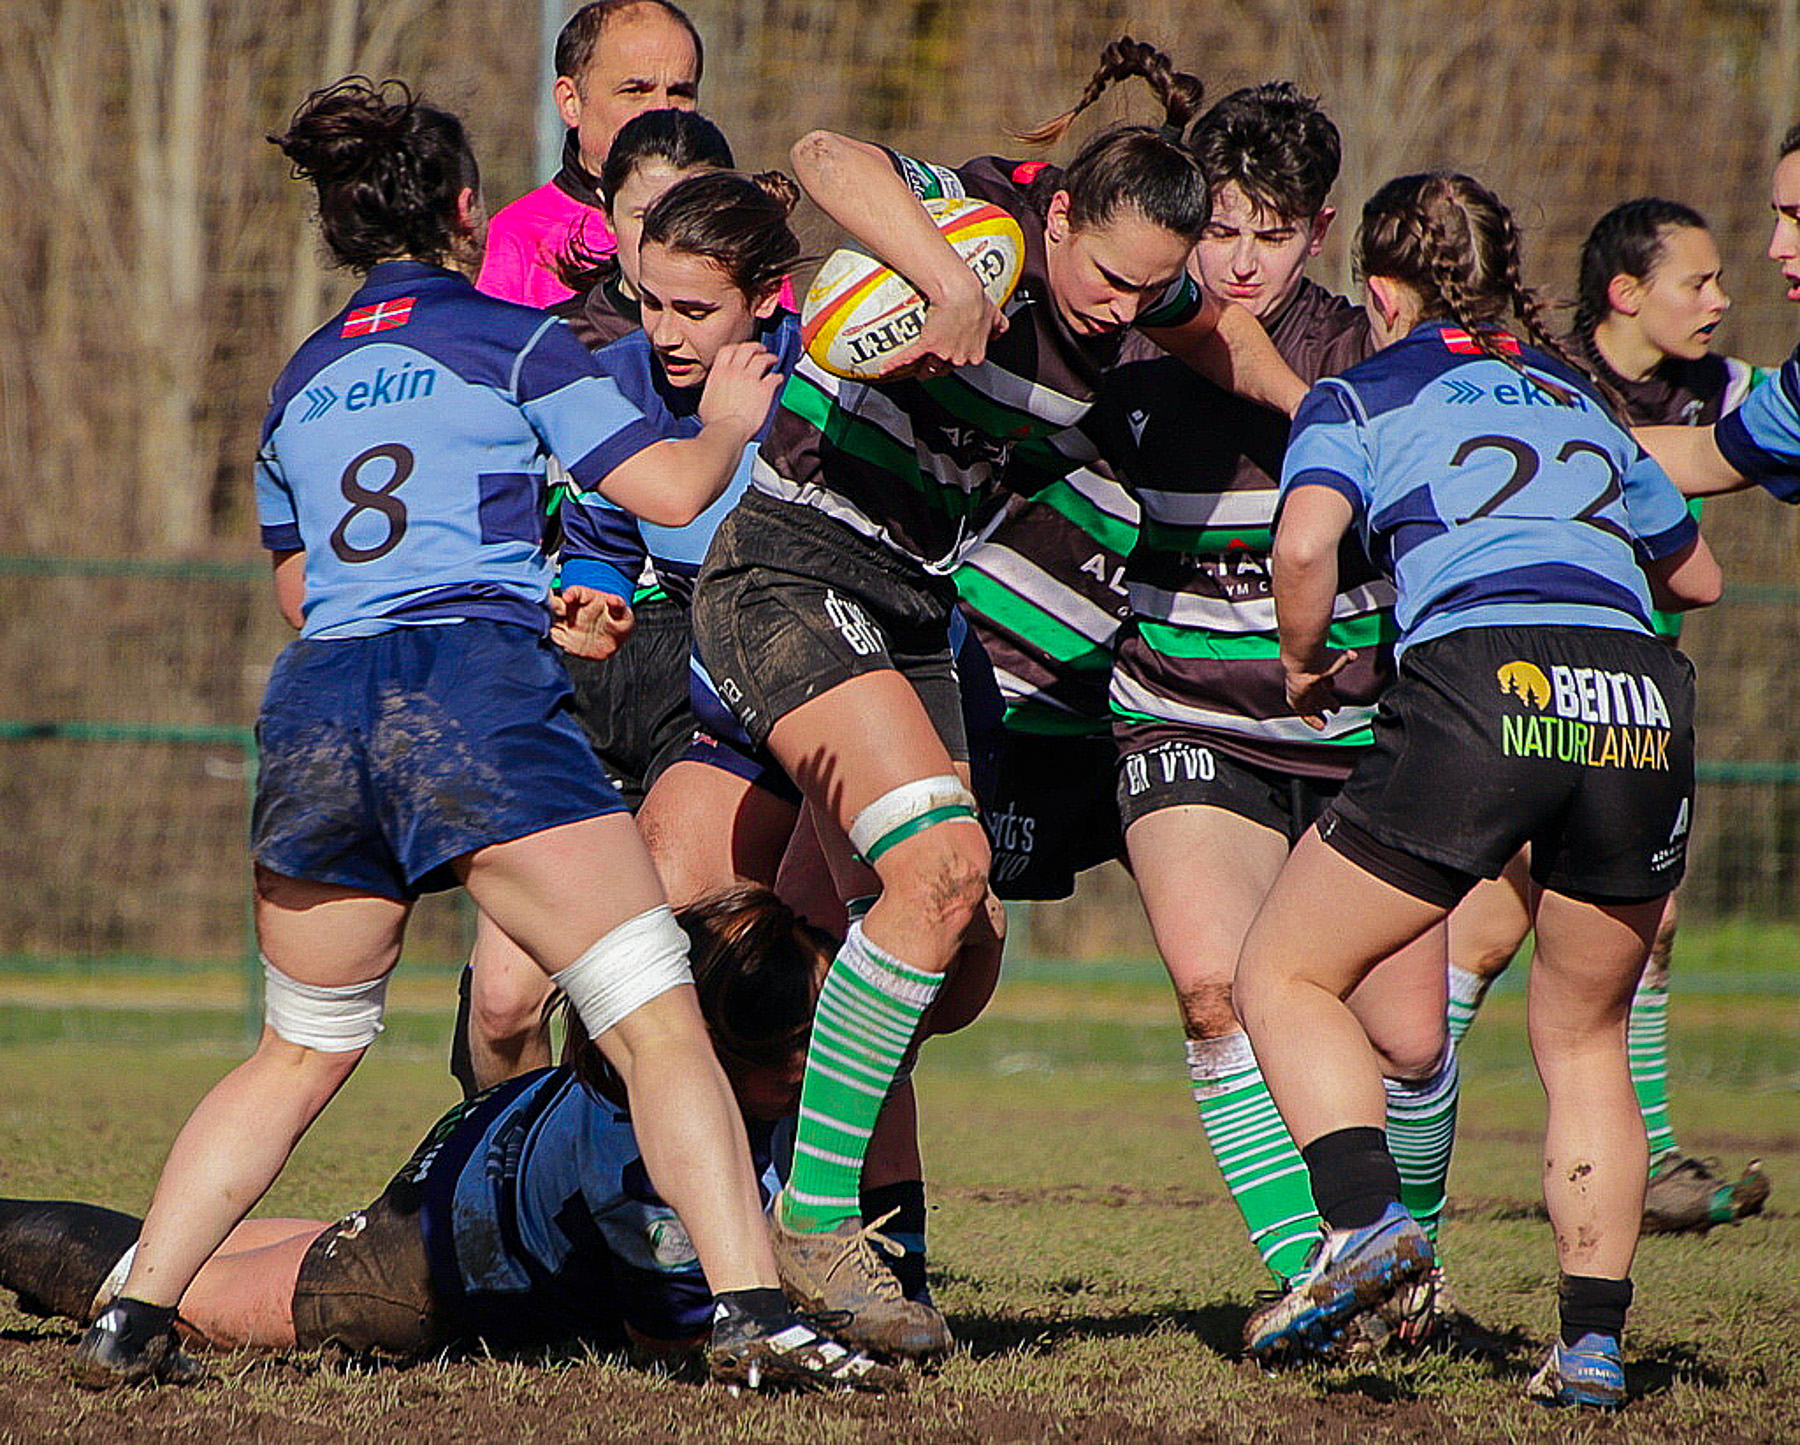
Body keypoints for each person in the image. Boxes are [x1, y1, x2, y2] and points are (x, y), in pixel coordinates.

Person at [69, 78, 881, 1395]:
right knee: (659, 1019)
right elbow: (670, 489)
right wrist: (730, 420)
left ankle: (132, 1316)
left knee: (302, 1045)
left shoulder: (299, 381)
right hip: (470, 693)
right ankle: (746, 1313)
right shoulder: (516, 341)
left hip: (322, 706)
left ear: (340, 224)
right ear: (465, 207)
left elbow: (300, 591)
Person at [689, 35, 1308, 1356]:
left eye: (1150, 292)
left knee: (950, 953)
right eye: (1104, 274)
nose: (1116, 310)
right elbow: (823, 159)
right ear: (1064, 213)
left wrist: (1360, 436)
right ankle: (801, 1222)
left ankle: (749, 1157)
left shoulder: (1146, 302)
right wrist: (937, 279)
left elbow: (1242, 358)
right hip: (792, 566)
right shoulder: (989, 224)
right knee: (935, 872)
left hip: (917, 607)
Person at [1231, 171, 1720, 1410]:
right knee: (1585, 1034)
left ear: (1382, 290)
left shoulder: (1361, 385)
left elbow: (1302, 545)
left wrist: (1302, 663)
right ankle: (1595, 1345)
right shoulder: (1581, 398)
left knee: (1281, 975)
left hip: (1485, 684)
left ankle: (1362, 1224)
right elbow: (1699, 575)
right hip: (1639, 693)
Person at [1089, 84, 1459, 1347]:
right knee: (1214, 990)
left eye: (1276, 231)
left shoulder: (1367, 357)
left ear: (1323, 229)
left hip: (1361, 730)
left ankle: (1415, 1270)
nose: (1241, 260)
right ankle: (1331, 1275)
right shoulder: (1128, 343)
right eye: (1224, 227)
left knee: (1409, 1039)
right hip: (1185, 710)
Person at [1, 892, 895, 1387]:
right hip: (408, 1275)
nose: (824, 1069)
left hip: (471, 1159)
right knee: (170, 1288)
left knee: (195, 1246)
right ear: (728, 1053)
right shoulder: (647, 1163)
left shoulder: (658, 1063)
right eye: (802, 1050)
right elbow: (668, 1339)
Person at [1445, 196, 1770, 1235]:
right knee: (1590, 925)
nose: (1722, 300)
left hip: (1624, 706)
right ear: (1627, 294)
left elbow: (1753, 428)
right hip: (1523, 690)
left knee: (1489, 936)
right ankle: (1369, 1136)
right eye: (1699, 282)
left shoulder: (1720, 386)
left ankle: (1375, 1141)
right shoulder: (1552, 382)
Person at [459, 168, 808, 1096]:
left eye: (694, 309)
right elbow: (606, 539)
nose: (663, 331)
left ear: (766, 296)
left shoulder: (825, 377)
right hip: (709, 697)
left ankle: (830, 1208)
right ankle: (551, 1185)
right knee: (518, 996)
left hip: (830, 679)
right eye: (650, 300)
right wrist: (594, 599)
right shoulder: (618, 378)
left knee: (836, 965)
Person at [476, 0, 702, 308]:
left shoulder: (737, 228)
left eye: (681, 92)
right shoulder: (511, 246)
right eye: (635, 91)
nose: (662, 109)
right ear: (571, 102)